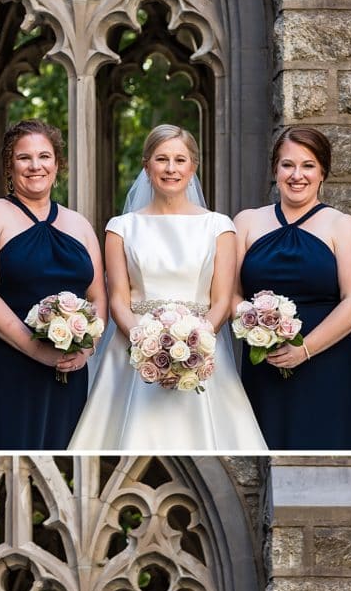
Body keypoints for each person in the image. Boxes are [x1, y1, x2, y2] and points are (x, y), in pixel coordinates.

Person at [69, 124, 266, 451]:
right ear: (147, 166)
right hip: (132, 349)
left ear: (193, 167)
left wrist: (195, 342)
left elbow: (221, 300)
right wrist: (145, 343)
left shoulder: (219, 226)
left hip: (202, 347)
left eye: (180, 159)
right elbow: (118, 299)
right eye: (162, 159)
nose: (171, 168)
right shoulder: (121, 228)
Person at [0, 119, 105, 449]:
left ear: (57, 164)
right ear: (9, 166)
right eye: (24, 157)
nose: (35, 165)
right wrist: (38, 350)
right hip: (7, 367)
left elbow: (98, 296)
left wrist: (86, 348)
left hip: (69, 371)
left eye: (44, 156)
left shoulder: (79, 224)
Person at [234, 126, 351, 449]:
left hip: (327, 364)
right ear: (275, 170)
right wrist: (256, 329)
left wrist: (304, 348)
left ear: (323, 171)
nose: (297, 175)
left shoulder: (342, 225)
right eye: (287, 165)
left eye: (308, 165)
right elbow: (230, 295)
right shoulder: (247, 222)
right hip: (263, 363)